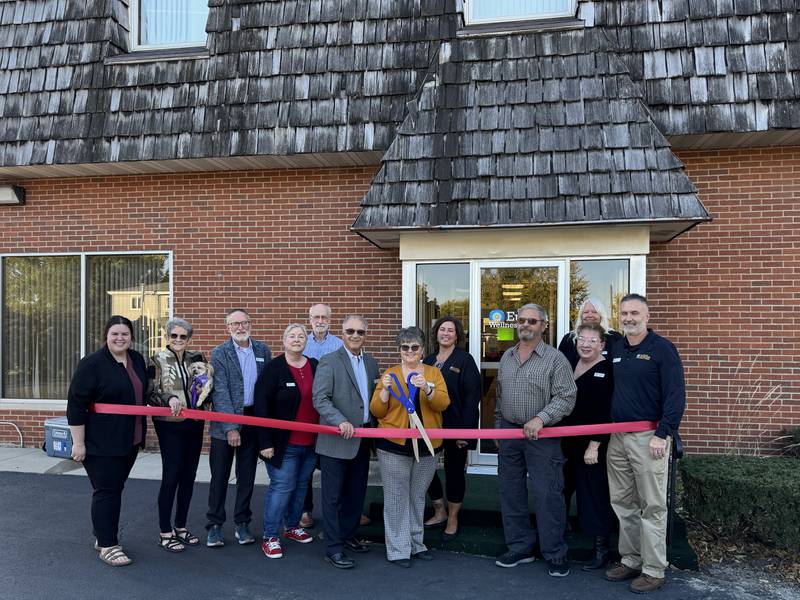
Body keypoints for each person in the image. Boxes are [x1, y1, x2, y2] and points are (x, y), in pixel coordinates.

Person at [605, 294, 685, 594]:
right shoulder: (616, 348)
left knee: (652, 505)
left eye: (634, 312)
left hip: (648, 437)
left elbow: (676, 395)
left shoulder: (662, 349)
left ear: (647, 316)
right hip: (618, 437)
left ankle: (654, 569)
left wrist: (663, 434)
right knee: (623, 502)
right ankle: (631, 559)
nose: (628, 317)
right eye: (624, 313)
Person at [494, 303, 576, 577]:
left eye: (532, 321)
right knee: (511, 491)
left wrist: (541, 418)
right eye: (521, 320)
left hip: (543, 436)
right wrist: (498, 427)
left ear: (543, 326)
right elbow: (500, 395)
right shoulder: (506, 356)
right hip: (509, 434)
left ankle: (555, 552)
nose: (525, 325)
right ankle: (520, 547)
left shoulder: (556, 359)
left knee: (548, 493)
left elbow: (567, 396)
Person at [67, 315, 148, 567]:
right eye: (115, 333)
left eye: (125, 334)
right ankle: (108, 545)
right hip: (101, 442)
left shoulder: (136, 359)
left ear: (131, 337)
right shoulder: (92, 364)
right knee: (107, 491)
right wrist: (78, 443)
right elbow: (76, 406)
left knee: (113, 489)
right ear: (106, 336)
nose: (120, 338)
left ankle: (101, 534)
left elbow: (145, 392)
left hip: (130, 439)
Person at [371, 327, 450, 567]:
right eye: (404, 347)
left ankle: (416, 544)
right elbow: (376, 411)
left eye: (414, 347)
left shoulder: (434, 374)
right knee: (396, 499)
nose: (409, 351)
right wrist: (384, 390)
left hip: (427, 446)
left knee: (416, 497)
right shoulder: (390, 373)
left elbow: (443, 403)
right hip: (393, 445)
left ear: (423, 350)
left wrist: (427, 388)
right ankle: (398, 549)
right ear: (399, 350)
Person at [312, 315, 379, 569]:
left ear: (365, 334)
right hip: (336, 440)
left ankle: (348, 535)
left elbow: (372, 401)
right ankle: (333, 547)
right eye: (350, 331)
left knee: (355, 493)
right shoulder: (329, 361)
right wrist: (339, 421)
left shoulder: (372, 362)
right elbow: (320, 399)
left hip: (363, 439)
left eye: (360, 332)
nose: (355, 335)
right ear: (342, 332)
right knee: (332, 497)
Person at [206, 308, 271, 547]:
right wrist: (231, 427)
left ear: (250, 324)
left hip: (253, 419)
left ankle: (242, 522)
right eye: (235, 324)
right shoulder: (220, 352)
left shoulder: (263, 350)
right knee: (220, 476)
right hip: (226, 421)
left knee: (247, 475)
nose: (240, 328)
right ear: (228, 328)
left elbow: (265, 388)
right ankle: (214, 525)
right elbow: (219, 391)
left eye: (244, 323)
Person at [254, 324, 319, 559]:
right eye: (292, 336)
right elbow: (261, 406)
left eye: (301, 336)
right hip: (283, 444)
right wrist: (265, 442)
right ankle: (270, 536)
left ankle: (291, 526)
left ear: (306, 341)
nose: (297, 339)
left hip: (310, 442)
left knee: (302, 485)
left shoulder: (314, 365)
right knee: (282, 487)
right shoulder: (274, 369)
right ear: (283, 341)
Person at [559, 322, 615, 571]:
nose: (586, 344)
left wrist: (594, 446)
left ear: (602, 345)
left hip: (591, 446)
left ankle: (601, 549)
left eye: (592, 340)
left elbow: (605, 411)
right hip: (565, 441)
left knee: (593, 495)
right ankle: (558, 535)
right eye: (582, 339)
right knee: (561, 488)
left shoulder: (607, 370)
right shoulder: (570, 365)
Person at [149, 317, 209, 552]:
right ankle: (165, 531)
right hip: (168, 424)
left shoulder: (197, 358)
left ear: (189, 338)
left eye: (183, 336)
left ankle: (181, 526)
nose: (178, 340)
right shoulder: (156, 359)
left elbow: (205, 387)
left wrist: (207, 393)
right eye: (173, 336)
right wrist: (169, 398)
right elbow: (150, 393)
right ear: (166, 337)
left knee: (189, 475)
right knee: (172, 475)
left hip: (195, 422)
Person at [422, 316, 480, 540]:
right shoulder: (426, 360)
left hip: (456, 427)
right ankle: (439, 510)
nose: (445, 333)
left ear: (457, 336)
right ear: (436, 333)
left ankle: (454, 517)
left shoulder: (465, 360)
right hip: (430, 427)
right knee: (425, 469)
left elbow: (471, 398)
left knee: (455, 472)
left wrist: (465, 432)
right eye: (442, 329)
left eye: (450, 330)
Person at [300, 302, 344, 529]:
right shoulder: (301, 342)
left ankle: (339, 509)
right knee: (306, 461)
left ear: (330, 319)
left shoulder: (340, 344)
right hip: (306, 410)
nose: (319, 321)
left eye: (324, 317)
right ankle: (305, 510)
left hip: (332, 411)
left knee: (333, 462)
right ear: (309, 319)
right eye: (315, 317)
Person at [558, 297, 622, 368]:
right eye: (586, 312)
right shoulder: (569, 339)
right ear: (581, 316)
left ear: (601, 316)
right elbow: (559, 366)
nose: (590, 315)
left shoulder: (615, 338)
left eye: (594, 312)